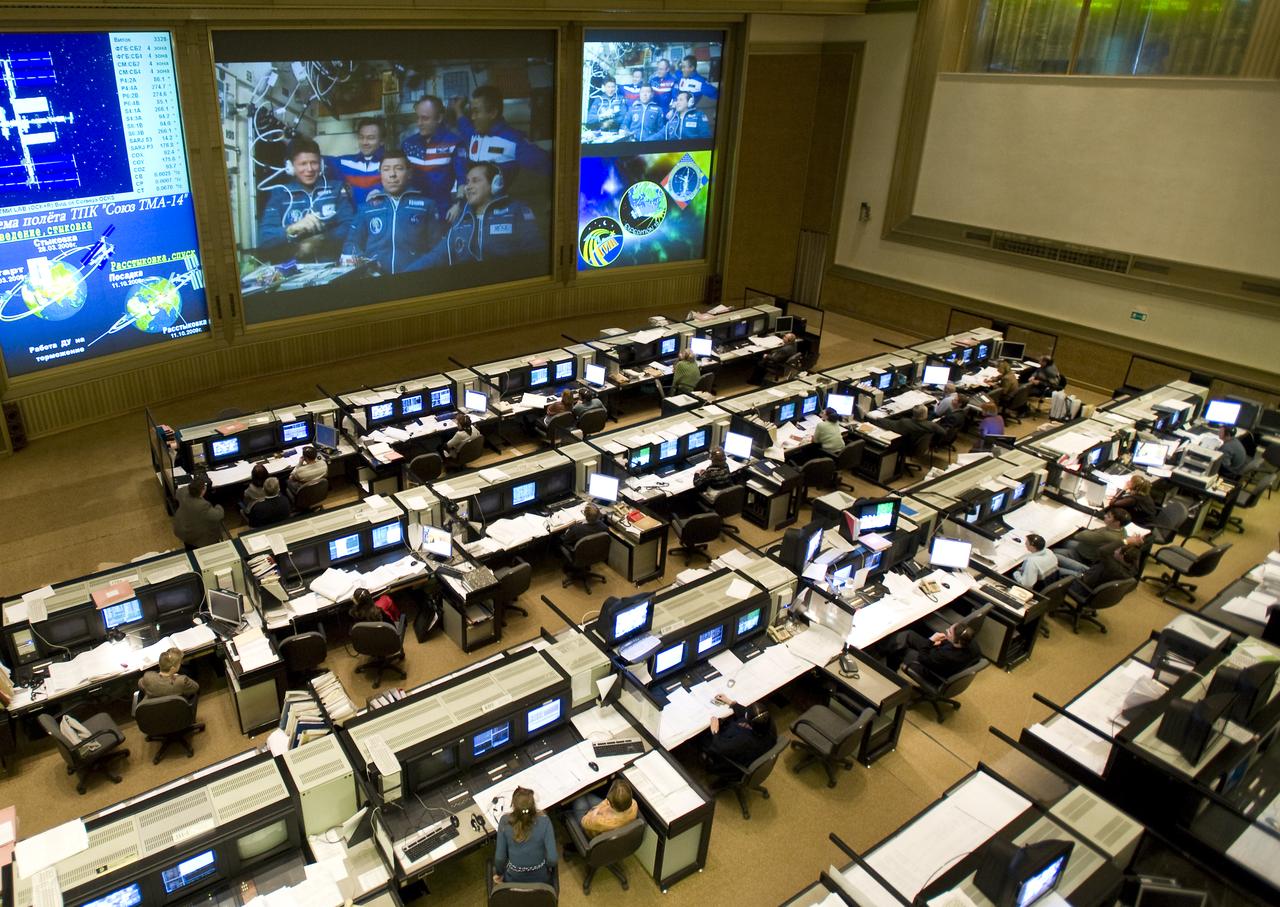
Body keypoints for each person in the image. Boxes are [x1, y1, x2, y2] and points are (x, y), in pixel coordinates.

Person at [410, 162, 542, 270]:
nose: (468, 187)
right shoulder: (461, 219)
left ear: (496, 184)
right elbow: (437, 256)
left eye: (475, 181)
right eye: (467, 182)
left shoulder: (516, 210)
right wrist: (407, 274)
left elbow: (534, 253)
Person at [452, 85, 551, 212]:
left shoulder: (514, 142)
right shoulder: (473, 135)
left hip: (497, 211)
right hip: (471, 207)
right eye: (471, 112)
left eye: (476, 112)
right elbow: (463, 124)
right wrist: (458, 109)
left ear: (493, 113)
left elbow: (550, 165)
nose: (473, 117)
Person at [341, 150, 440, 275]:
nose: (392, 174)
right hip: (375, 279)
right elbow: (351, 243)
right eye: (386, 169)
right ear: (380, 173)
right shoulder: (366, 208)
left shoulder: (427, 206)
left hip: (415, 278)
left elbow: (437, 250)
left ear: (409, 173)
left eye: (399, 169)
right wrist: (365, 264)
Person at [257, 136, 354, 261]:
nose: (309, 169)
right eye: (303, 164)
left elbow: (351, 226)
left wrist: (322, 239)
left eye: (314, 163)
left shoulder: (336, 189)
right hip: (292, 271)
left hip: (330, 267)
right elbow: (264, 239)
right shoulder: (280, 193)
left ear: (322, 164)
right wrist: (291, 229)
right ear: (290, 167)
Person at [402, 95, 464, 215]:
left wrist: (458, 205)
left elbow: (462, 179)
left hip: (442, 210)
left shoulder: (454, 142)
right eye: (418, 118)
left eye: (425, 118)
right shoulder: (408, 144)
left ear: (439, 118)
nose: (419, 123)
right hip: (412, 209)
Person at [493, 787, 557, 885]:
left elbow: (500, 859)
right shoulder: (544, 821)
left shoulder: (505, 821)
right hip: (541, 880)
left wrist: (499, 873)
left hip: (512, 879)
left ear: (513, 806)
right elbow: (552, 859)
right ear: (533, 806)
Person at [702, 697, 776, 780]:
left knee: (703, 738)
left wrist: (714, 731)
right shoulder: (767, 722)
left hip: (733, 765)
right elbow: (748, 713)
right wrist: (732, 703)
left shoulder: (743, 741)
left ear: (750, 723)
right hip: (757, 751)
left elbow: (719, 748)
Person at [881, 621, 979, 677]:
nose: (946, 630)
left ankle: (890, 672)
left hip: (929, 668)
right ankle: (887, 646)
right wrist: (941, 642)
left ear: (957, 641)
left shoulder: (947, 656)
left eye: (949, 632)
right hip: (937, 657)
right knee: (909, 634)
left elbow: (923, 658)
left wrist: (931, 641)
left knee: (901, 650)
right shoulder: (971, 643)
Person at [1055, 507, 1130, 576]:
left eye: (1109, 516)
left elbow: (1078, 536)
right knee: (1064, 542)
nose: (1105, 516)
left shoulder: (1107, 535)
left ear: (1117, 523)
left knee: (1054, 552)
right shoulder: (1123, 531)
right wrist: (1093, 532)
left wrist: (1092, 532)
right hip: (1089, 549)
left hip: (1084, 556)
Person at [328, 117, 384, 208]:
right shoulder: (344, 162)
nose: (365, 142)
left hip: (380, 219)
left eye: (371, 138)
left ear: (382, 141)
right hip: (351, 220)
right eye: (361, 137)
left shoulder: (390, 165)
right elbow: (313, 158)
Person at [1068, 536, 1142, 602]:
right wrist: (1137, 544)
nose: (1115, 551)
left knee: (1058, 567)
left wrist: (1125, 541)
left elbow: (1103, 551)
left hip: (1082, 586)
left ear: (1122, 556)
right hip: (1093, 576)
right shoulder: (1133, 568)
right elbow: (1135, 552)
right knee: (1063, 559)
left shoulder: (1113, 567)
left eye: (1118, 550)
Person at [571, 777, 639, 840]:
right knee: (587, 797)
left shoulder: (600, 822)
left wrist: (595, 811)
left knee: (579, 800)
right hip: (611, 820)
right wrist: (600, 808)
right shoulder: (633, 804)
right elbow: (606, 801)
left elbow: (584, 822)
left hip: (592, 828)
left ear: (611, 803)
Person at [172, 475, 224, 548]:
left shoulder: (183, 492)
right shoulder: (203, 506)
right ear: (203, 490)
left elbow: (177, 493)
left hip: (182, 528)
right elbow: (218, 515)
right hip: (196, 537)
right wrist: (218, 507)